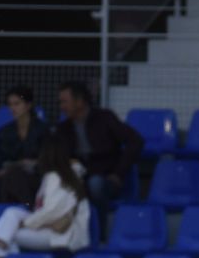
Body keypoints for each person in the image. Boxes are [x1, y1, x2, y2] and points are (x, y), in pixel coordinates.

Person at [0, 132, 90, 258]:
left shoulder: (57, 177)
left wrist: (26, 223)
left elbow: (51, 212)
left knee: (10, 235)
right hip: (50, 227)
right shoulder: (63, 174)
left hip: (61, 234)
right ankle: (0, 251)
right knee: (12, 213)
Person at [55, 80, 143, 239]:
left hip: (107, 179)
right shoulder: (63, 128)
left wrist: (118, 173)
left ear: (80, 101)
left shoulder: (105, 118)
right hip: (78, 179)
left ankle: (99, 236)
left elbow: (135, 141)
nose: (61, 106)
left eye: (64, 101)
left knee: (95, 184)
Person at [0, 85, 48, 208]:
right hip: (8, 177)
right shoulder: (4, 132)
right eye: (10, 104)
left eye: (17, 104)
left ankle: (10, 213)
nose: (13, 108)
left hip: (35, 178)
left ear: (28, 105)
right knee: (11, 176)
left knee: (14, 177)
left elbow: (47, 160)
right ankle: (28, 209)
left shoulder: (42, 130)